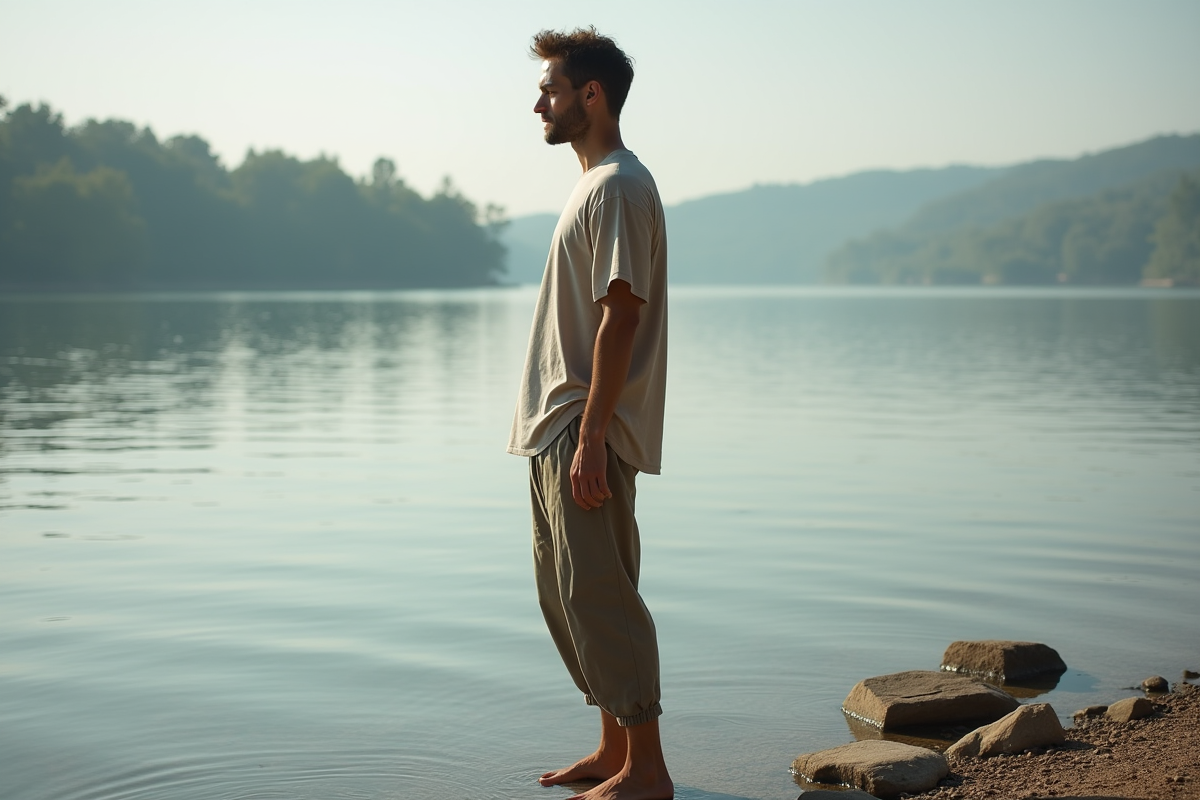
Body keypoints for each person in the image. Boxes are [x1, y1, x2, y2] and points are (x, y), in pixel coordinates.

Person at [507, 26, 672, 800]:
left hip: (583, 424)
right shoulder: (593, 183)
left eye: (551, 87)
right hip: (562, 428)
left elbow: (621, 314)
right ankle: (613, 750)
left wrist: (595, 434)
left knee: (602, 593)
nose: (538, 101)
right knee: (569, 594)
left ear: (591, 95)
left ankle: (648, 770)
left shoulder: (615, 186)